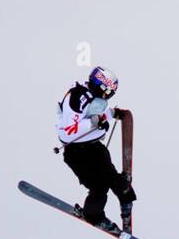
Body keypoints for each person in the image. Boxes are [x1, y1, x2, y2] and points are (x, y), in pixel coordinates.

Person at [55, 66, 135, 227]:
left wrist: (113, 113)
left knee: (110, 179)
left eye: (110, 94)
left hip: (93, 148)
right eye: (107, 92)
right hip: (77, 153)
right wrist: (94, 122)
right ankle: (94, 215)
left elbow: (97, 113)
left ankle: (125, 199)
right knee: (100, 186)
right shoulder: (78, 96)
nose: (107, 96)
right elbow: (67, 131)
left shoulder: (93, 98)